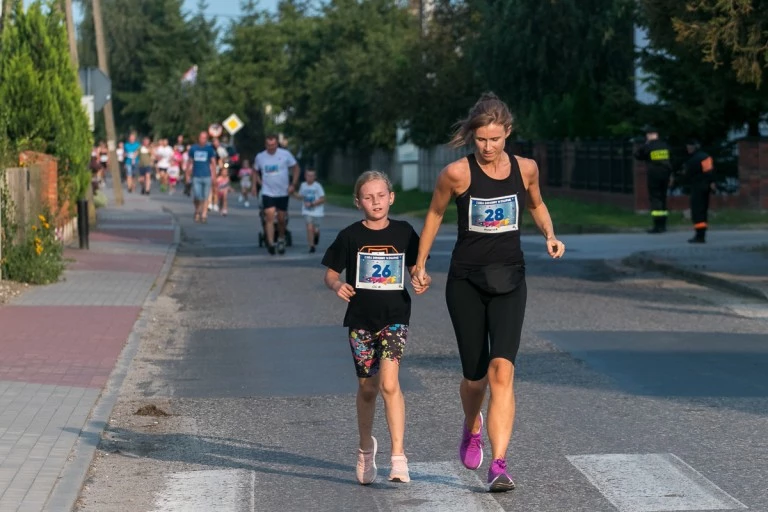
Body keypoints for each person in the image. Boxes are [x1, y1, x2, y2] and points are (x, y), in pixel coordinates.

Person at [411, 92, 565, 492]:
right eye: (480, 139)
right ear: (472, 136)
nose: (487, 146)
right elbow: (434, 214)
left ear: (507, 134)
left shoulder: (526, 168)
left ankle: (499, 463)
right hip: (466, 281)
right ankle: (471, 425)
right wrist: (421, 263)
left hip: (511, 279)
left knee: (502, 372)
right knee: (475, 379)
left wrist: (550, 234)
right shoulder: (456, 174)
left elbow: (537, 204)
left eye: (494, 139)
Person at [322, 170, 429, 486]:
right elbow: (330, 273)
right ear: (358, 202)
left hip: (395, 318)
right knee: (367, 387)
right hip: (360, 322)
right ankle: (366, 449)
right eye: (368, 197)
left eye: (381, 195)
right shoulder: (350, 235)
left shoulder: (405, 232)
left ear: (391, 197)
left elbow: (416, 270)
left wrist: (421, 280)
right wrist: (336, 285)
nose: (376, 202)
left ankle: (398, 457)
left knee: (390, 384)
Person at [253, 134, 300, 255]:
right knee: (269, 215)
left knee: (281, 218)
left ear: (277, 144)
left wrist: (293, 184)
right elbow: (255, 171)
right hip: (267, 191)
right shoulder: (260, 157)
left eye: (273, 145)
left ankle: (281, 238)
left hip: (283, 192)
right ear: (265, 145)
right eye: (269, 145)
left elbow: (296, 168)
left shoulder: (285, 155)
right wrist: (255, 185)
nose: (271, 147)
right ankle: (270, 243)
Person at [634, 126, 673, 233]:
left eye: (647, 134)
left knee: (655, 199)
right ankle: (664, 225)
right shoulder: (665, 145)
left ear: (650, 135)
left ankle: (657, 225)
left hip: (654, 175)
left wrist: (644, 145)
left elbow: (637, 155)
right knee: (663, 198)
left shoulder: (648, 146)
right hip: (665, 175)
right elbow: (671, 159)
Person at [682, 139, 715, 243]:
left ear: (694, 147)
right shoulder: (705, 157)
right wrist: (712, 182)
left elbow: (686, 174)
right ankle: (702, 234)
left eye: (689, 147)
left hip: (697, 187)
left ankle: (699, 235)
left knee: (697, 212)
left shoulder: (692, 160)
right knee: (703, 211)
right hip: (705, 187)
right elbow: (710, 171)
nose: (688, 149)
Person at [186, 131, 217, 223]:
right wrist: (187, 175)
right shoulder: (193, 149)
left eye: (204, 138)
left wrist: (214, 176)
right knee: (197, 195)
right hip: (196, 175)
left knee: (205, 196)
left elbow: (213, 163)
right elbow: (189, 162)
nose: (202, 139)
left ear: (206, 139)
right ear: (198, 138)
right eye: (201, 137)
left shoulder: (209, 149)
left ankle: (204, 214)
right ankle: (197, 210)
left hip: (207, 175)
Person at [294, 168, 325, 253]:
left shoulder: (317, 186)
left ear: (315, 177)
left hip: (317, 212)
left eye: (312, 176)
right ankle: (311, 246)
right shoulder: (303, 185)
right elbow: (301, 196)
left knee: (315, 230)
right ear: (305, 176)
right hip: (307, 211)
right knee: (309, 228)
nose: (310, 177)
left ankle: (316, 235)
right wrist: (293, 193)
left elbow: (322, 199)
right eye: (308, 175)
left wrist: (313, 204)